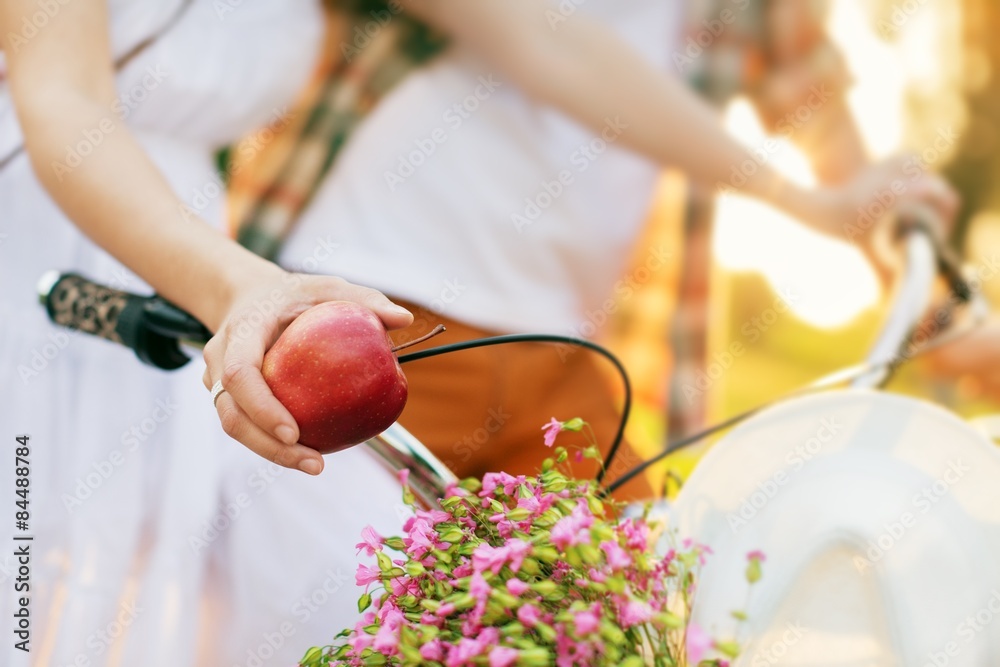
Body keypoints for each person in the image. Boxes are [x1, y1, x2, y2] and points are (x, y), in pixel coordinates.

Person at [278, 0, 959, 496]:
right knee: (344, 603)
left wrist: (944, 311)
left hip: (561, 350)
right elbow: (551, 45)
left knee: (642, 610)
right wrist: (804, 202)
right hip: (379, 307)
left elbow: (824, 120)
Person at [0, 2, 410, 665]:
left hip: (184, 275)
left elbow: (543, 38)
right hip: (39, 248)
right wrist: (238, 287)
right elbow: (62, 99)